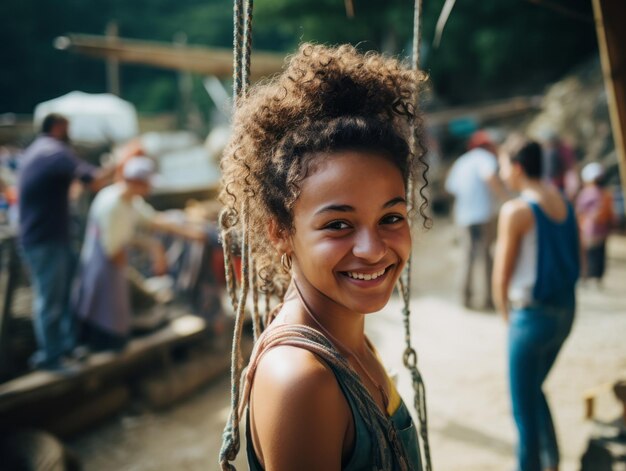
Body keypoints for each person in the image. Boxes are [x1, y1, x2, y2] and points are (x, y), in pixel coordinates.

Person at [218, 44, 428, 471]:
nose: (372, 250)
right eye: (338, 225)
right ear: (280, 231)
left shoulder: (346, 336)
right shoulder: (301, 379)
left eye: (390, 216)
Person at [493, 139, 579, 471]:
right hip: (566, 312)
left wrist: (507, 320)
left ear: (516, 167)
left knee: (523, 411)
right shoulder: (563, 202)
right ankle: (552, 460)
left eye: (502, 166)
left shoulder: (516, 210)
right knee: (535, 387)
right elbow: (578, 259)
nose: (501, 174)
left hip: (531, 319)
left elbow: (501, 277)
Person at [73, 156, 204, 352]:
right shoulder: (113, 205)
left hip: (113, 264)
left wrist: (190, 233)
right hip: (105, 266)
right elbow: (114, 250)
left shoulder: (131, 201)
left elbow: (153, 220)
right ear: (136, 182)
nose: (150, 189)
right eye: (147, 184)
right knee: (105, 315)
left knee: (112, 315)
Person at [17, 113, 112, 369]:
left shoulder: (39, 151)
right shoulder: (54, 152)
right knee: (50, 301)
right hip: (44, 240)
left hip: (51, 237)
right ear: (58, 128)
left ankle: (65, 347)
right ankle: (51, 357)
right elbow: (95, 181)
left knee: (66, 295)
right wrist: (121, 161)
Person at [445, 130, 505, 309]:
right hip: (483, 215)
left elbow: (451, 188)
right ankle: (489, 300)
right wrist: (505, 198)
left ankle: (465, 298)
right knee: (486, 257)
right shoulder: (486, 159)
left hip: (464, 216)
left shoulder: (462, 161)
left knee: (468, 257)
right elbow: (490, 177)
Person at [576, 162, 614, 285]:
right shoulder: (606, 194)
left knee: (589, 254)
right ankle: (597, 275)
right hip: (601, 231)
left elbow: (579, 210)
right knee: (599, 254)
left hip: (589, 230)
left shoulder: (586, 193)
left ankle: (588, 274)